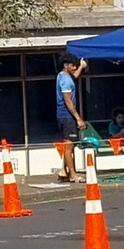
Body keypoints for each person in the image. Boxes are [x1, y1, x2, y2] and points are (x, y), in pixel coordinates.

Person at [55, 55, 89, 183]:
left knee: (68, 144)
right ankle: (73, 175)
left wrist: (81, 66)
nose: (74, 67)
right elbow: (68, 101)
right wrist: (78, 118)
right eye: (72, 65)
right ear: (66, 65)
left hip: (63, 115)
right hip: (67, 116)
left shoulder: (62, 76)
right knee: (69, 146)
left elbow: (74, 77)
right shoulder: (66, 81)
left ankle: (64, 170)